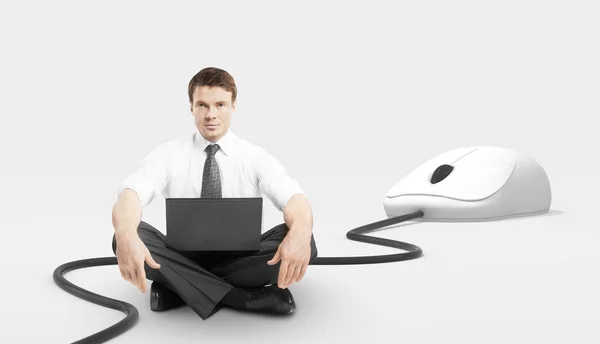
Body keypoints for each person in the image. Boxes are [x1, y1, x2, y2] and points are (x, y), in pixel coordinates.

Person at [110, 67, 318, 320]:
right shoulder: (170, 153)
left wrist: (301, 231)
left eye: (220, 104)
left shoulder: (253, 156)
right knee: (125, 234)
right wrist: (124, 233)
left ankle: (179, 288)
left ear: (233, 106)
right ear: (191, 107)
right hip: (183, 255)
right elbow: (131, 194)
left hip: (240, 259)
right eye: (202, 105)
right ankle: (244, 298)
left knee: (304, 237)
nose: (211, 115)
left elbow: (294, 198)